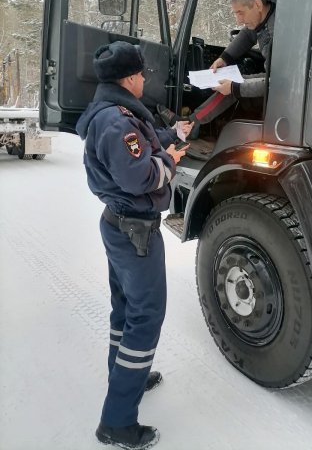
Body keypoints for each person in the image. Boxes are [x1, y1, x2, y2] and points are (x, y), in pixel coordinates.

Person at [76, 41, 191, 449]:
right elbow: (140, 176)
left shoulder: (116, 114)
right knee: (145, 317)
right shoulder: (117, 123)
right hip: (135, 231)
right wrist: (172, 161)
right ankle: (117, 423)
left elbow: (142, 143)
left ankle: (126, 376)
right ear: (129, 79)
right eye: (141, 74)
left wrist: (172, 135)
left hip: (120, 227)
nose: (145, 79)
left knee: (126, 308)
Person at [157, 0, 275, 129]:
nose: (238, 21)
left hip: (282, 92)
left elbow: (279, 84)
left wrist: (235, 88)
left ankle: (189, 125)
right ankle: (191, 123)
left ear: (258, 4)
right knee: (233, 83)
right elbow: (248, 35)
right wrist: (224, 58)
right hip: (276, 83)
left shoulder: (277, 30)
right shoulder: (265, 18)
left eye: (241, 13)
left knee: (233, 85)